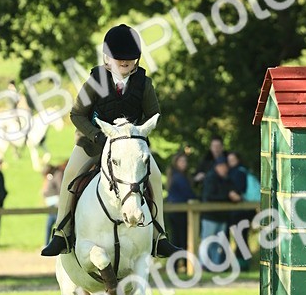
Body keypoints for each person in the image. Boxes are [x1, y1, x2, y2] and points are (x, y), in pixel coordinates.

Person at [41, 23, 178, 257]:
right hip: (93, 143)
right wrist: (96, 134)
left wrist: (135, 134)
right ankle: (62, 232)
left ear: (136, 59)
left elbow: (154, 115)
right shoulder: (96, 81)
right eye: (119, 58)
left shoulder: (144, 84)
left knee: (154, 176)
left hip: (129, 146)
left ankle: (159, 236)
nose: (124, 62)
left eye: (128, 58)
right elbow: (76, 114)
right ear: (107, 58)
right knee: (71, 174)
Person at [200, 156, 231, 269]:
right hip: (210, 217)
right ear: (217, 167)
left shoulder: (226, 179)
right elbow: (209, 196)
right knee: (207, 243)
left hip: (221, 217)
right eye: (222, 166)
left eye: (225, 166)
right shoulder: (210, 178)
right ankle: (203, 265)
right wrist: (227, 196)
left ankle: (215, 267)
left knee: (218, 245)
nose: (225, 169)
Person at [225, 150, 253, 271]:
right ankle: (243, 263)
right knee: (241, 237)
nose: (231, 162)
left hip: (241, 211)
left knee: (240, 237)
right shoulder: (242, 171)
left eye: (233, 160)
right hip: (244, 210)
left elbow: (238, 190)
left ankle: (243, 264)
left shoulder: (237, 173)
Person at [165, 151, 195, 252]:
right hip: (179, 212)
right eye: (181, 161)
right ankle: (184, 264)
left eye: (185, 161)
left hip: (176, 211)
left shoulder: (175, 176)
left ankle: (176, 265)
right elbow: (188, 193)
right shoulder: (178, 177)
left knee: (176, 239)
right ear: (176, 163)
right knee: (181, 239)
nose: (184, 163)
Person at [42, 161, 66, 245]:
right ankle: (48, 244)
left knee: (56, 224)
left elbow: (60, 188)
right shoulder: (51, 176)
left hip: (56, 203)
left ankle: (54, 244)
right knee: (51, 224)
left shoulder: (58, 174)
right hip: (52, 204)